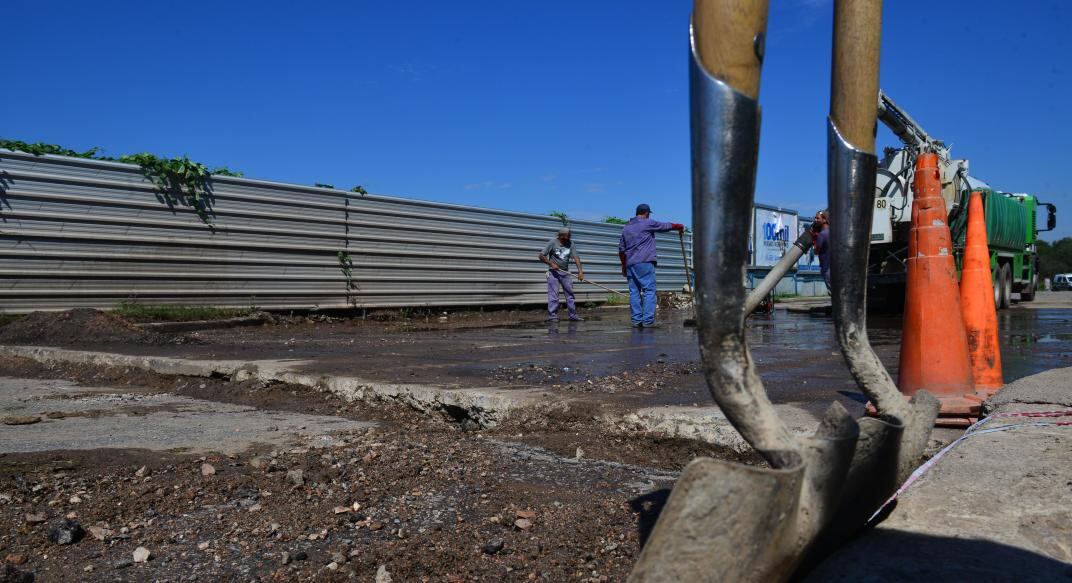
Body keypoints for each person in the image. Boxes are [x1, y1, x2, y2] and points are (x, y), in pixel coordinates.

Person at [617, 203, 685, 327]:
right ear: (647, 213)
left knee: (634, 293)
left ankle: (637, 321)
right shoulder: (647, 223)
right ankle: (648, 321)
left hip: (630, 264)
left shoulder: (626, 228)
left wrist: (623, 266)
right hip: (644, 262)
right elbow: (665, 226)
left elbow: (621, 250)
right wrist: (679, 226)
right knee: (649, 291)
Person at [539, 227, 585, 322]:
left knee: (570, 294)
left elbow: (576, 257)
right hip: (553, 272)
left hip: (565, 272)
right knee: (553, 295)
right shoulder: (552, 242)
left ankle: (573, 315)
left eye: (569, 236)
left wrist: (580, 271)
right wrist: (551, 264)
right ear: (561, 236)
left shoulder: (571, 243)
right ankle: (553, 316)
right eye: (567, 236)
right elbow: (541, 256)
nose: (569, 238)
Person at [812, 210, 831, 291]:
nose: (815, 220)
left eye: (818, 218)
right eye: (815, 218)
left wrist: (814, 241)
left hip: (826, 267)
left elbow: (816, 251)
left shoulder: (822, 234)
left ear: (824, 220)